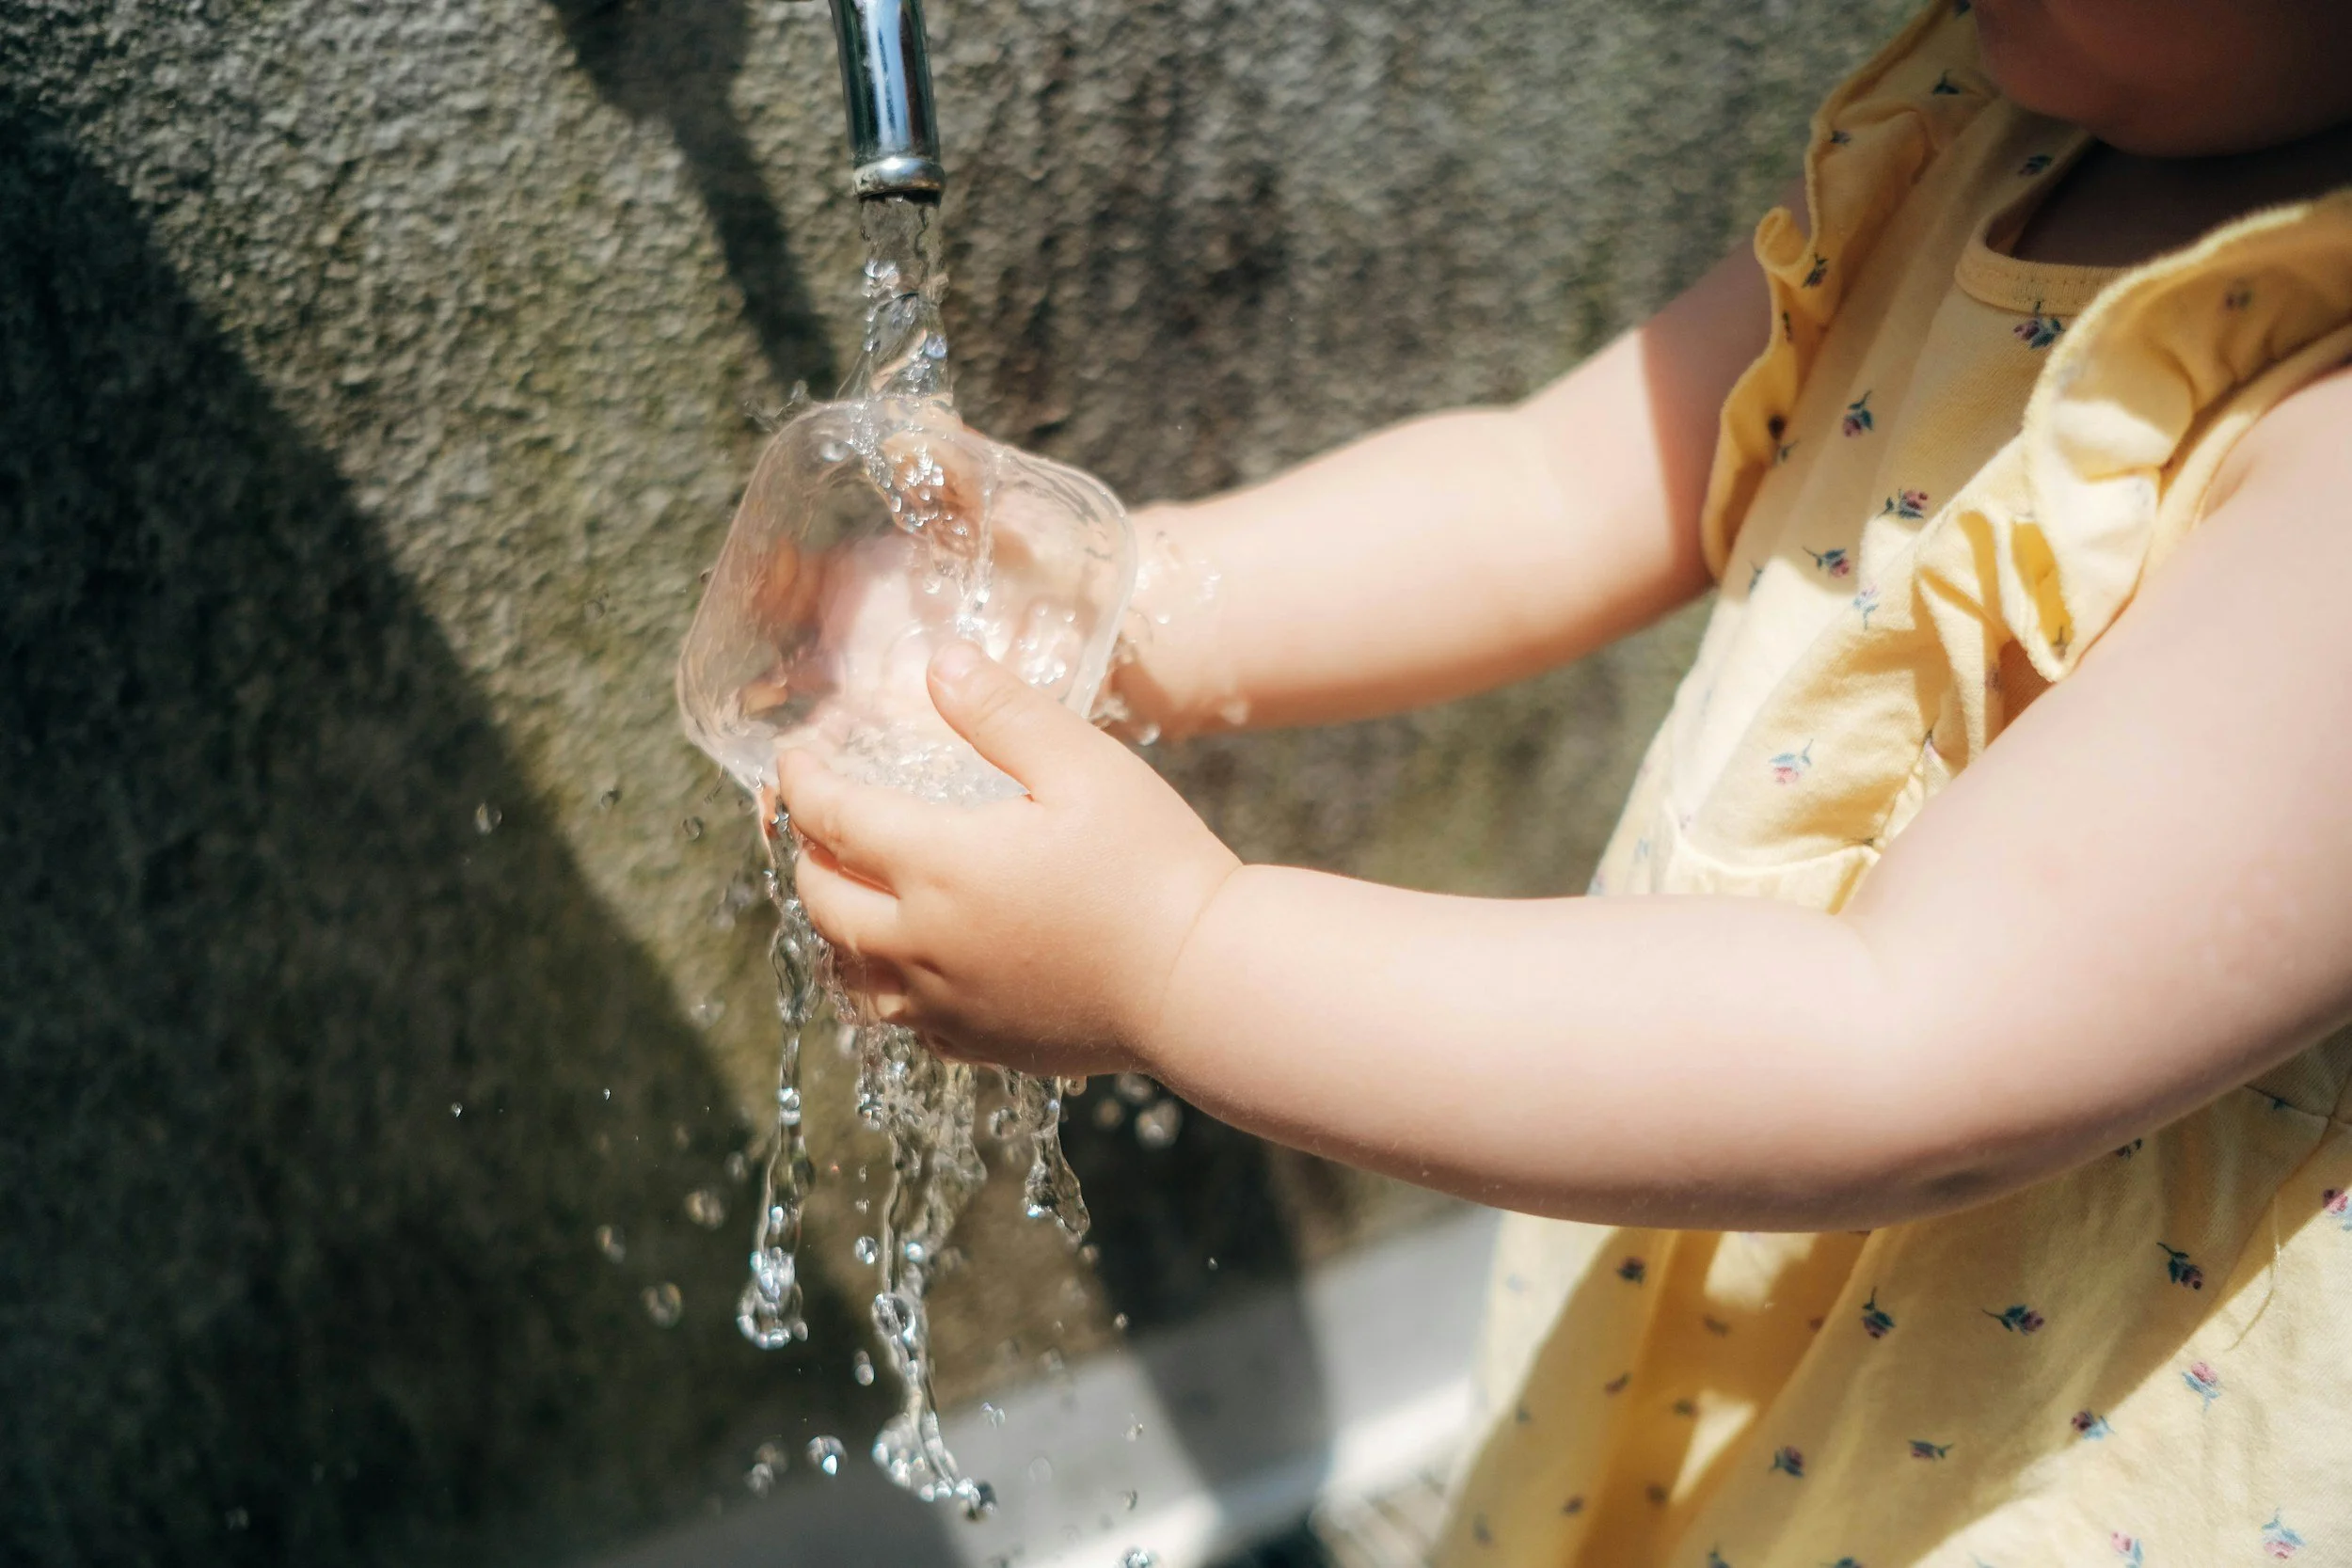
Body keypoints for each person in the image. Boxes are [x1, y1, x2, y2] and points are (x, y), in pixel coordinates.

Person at [774, 1, 2352, 1560]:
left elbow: (1907, 1038)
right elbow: (1549, 489)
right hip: (1733, 1313)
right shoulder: (1983, 127)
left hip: (2027, 1447)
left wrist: (1179, 961)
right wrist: (1110, 603)